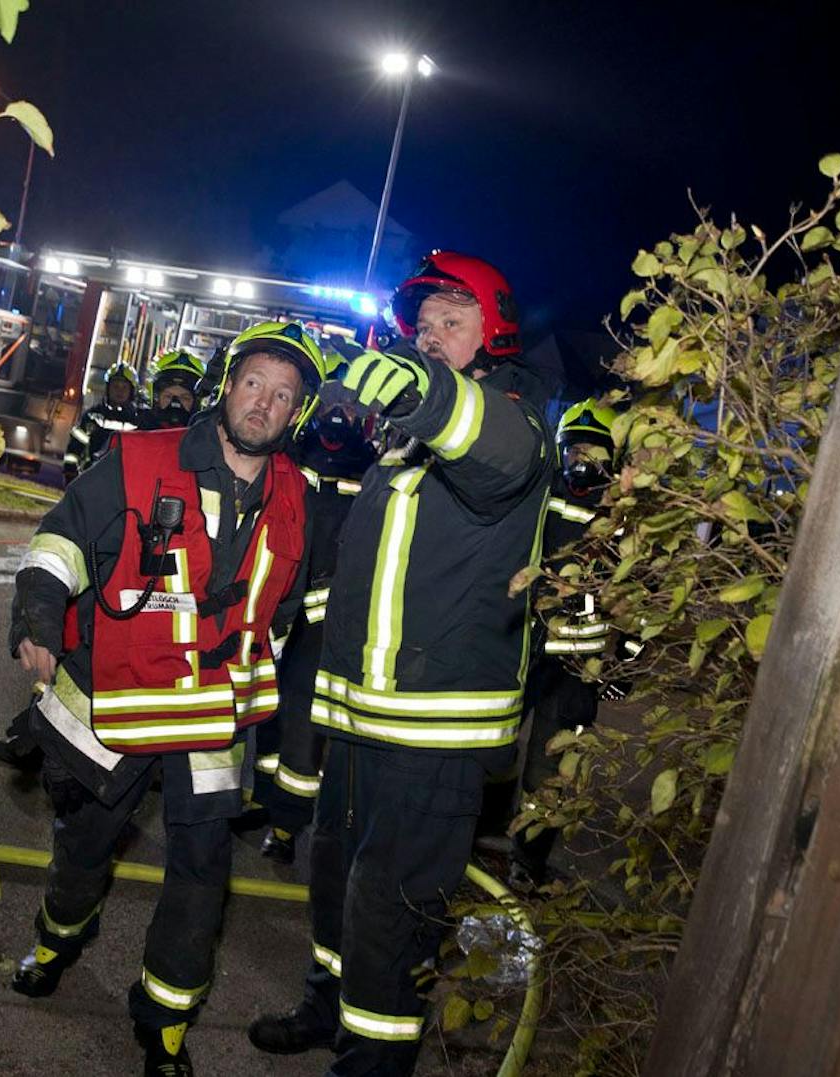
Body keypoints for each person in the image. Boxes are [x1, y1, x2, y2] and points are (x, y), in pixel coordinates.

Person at [249, 252, 554, 1076]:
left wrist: (427, 392)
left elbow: (486, 443)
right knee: (335, 884)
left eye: (452, 323)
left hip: (433, 732)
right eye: (422, 327)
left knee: (394, 912)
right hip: (359, 719)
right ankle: (328, 1007)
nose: (430, 338)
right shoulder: (405, 445)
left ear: (495, 335)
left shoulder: (514, 420)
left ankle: (373, 1061)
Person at [6, 321, 330, 1077]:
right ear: (227, 386)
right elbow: (59, 542)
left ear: (296, 415)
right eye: (255, 383)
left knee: (201, 877)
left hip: (212, 724)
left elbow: (283, 614)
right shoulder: (137, 459)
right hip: (116, 708)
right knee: (83, 851)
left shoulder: (298, 501)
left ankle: (166, 1025)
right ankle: (55, 944)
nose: (265, 404)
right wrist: (38, 618)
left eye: (284, 396)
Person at [253, 389, 377, 864]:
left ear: (362, 418)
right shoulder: (289, 453)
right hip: (273, 601)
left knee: (304, 721)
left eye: (349, 410)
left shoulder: (371, 471)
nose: (338, 417)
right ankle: (262, 800)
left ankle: (286, 826)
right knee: (264, 705)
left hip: (322, 621)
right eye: (331, 408)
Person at [509, 397, 622, 891]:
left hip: (579, 669)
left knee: (549, 772)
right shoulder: (542, 493)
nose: (583, 462)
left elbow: (637, 594)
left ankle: (527, 861)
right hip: (524, 650)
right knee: (490, 746)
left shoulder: (622, 515)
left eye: (594, 452)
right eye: (574, 449)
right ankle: (476, 834)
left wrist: (627, 665)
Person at [64, 361, 143, 481]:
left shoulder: (138, 421)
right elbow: (74, 447)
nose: (119, 391)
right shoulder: (92, 416)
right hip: (91, 477)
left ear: (132, 391)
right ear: (108, 388)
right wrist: (70, 472)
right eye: (115, 386)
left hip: (124, 481)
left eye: (124, 387)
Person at [144, 349, 206, 429]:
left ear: (196, 402)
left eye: (185, 398)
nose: (175, 403)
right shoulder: (135, 437)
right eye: (168, 396)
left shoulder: (207, 439)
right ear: (156, 398)